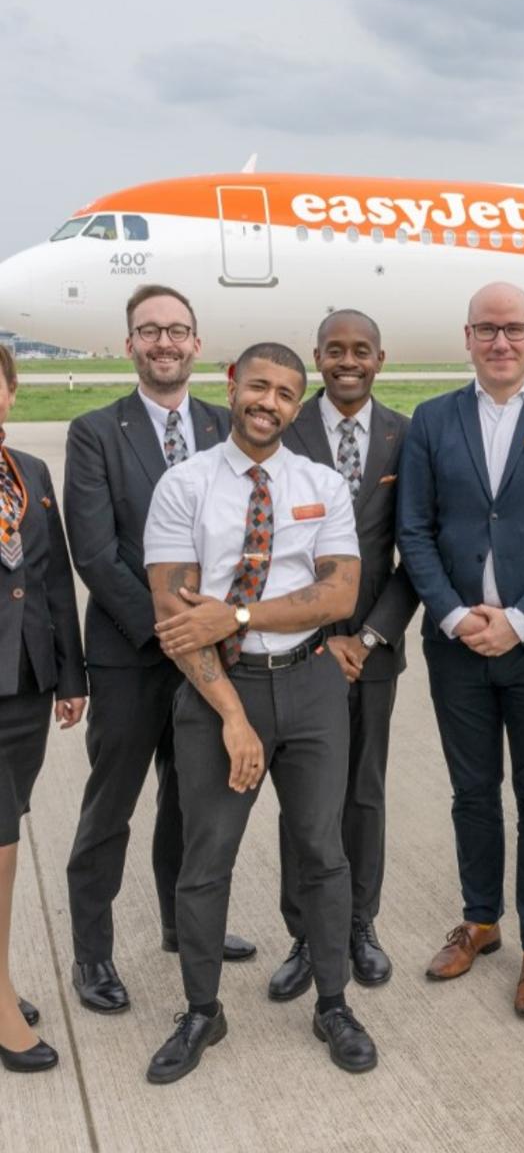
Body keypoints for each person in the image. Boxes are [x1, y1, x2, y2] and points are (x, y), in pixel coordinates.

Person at [142, 343, 374, 1084]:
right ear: (231, 387)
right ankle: (202, 1011)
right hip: (218, 692)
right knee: (206, 860)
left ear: (296, 404)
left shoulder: (321, 483)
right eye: (257, 386)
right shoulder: (184, 486)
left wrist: (236, 610)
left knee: (322, 851)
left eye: (284, 392)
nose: (268, 401)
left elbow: (338, 596)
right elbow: (178, 623)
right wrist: (232, 718)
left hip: (309, 687)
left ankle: (333, 1001)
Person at [398, 283, 524, 1018]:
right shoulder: (432, 421)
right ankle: (481, 919)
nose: (501, 342)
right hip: (456, 647)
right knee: (472, 793)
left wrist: (519, 620)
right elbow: (414, 532)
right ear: (468, 337)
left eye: (513, 328)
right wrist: (455, 618)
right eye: (487, 329)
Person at [63, 285, 252, 1016]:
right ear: (129, 345)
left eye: (177, 330)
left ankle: (184, 925)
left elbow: (243, 536)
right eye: (149, 331)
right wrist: (173, 631)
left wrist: (221, 623)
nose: (164, 342)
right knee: (110, 808)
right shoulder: (95, 432)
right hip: (132, 652)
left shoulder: (224, 424)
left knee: (190, 802)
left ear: (197, 344)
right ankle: (92, 953)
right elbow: (97, 552)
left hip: (213, 650)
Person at [268, 310, 419, 1001]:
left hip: (373, 650)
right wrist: (319, 633)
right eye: (335, 350)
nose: (348, 361)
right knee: (303, 801)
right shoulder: (284, 432)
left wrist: (368, 636)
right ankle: (305, 932)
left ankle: (360, 924)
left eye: (361, 350)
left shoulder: (404, 438)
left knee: (363, 791)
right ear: (318, 357)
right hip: (297, 650)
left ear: (380, 359)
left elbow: (414, 550)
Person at [0, 343, 86, 1072]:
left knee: (7, 822)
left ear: (11, 391)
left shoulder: (30, 472)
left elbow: (53, 579)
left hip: (25, 683)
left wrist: (70, 676)